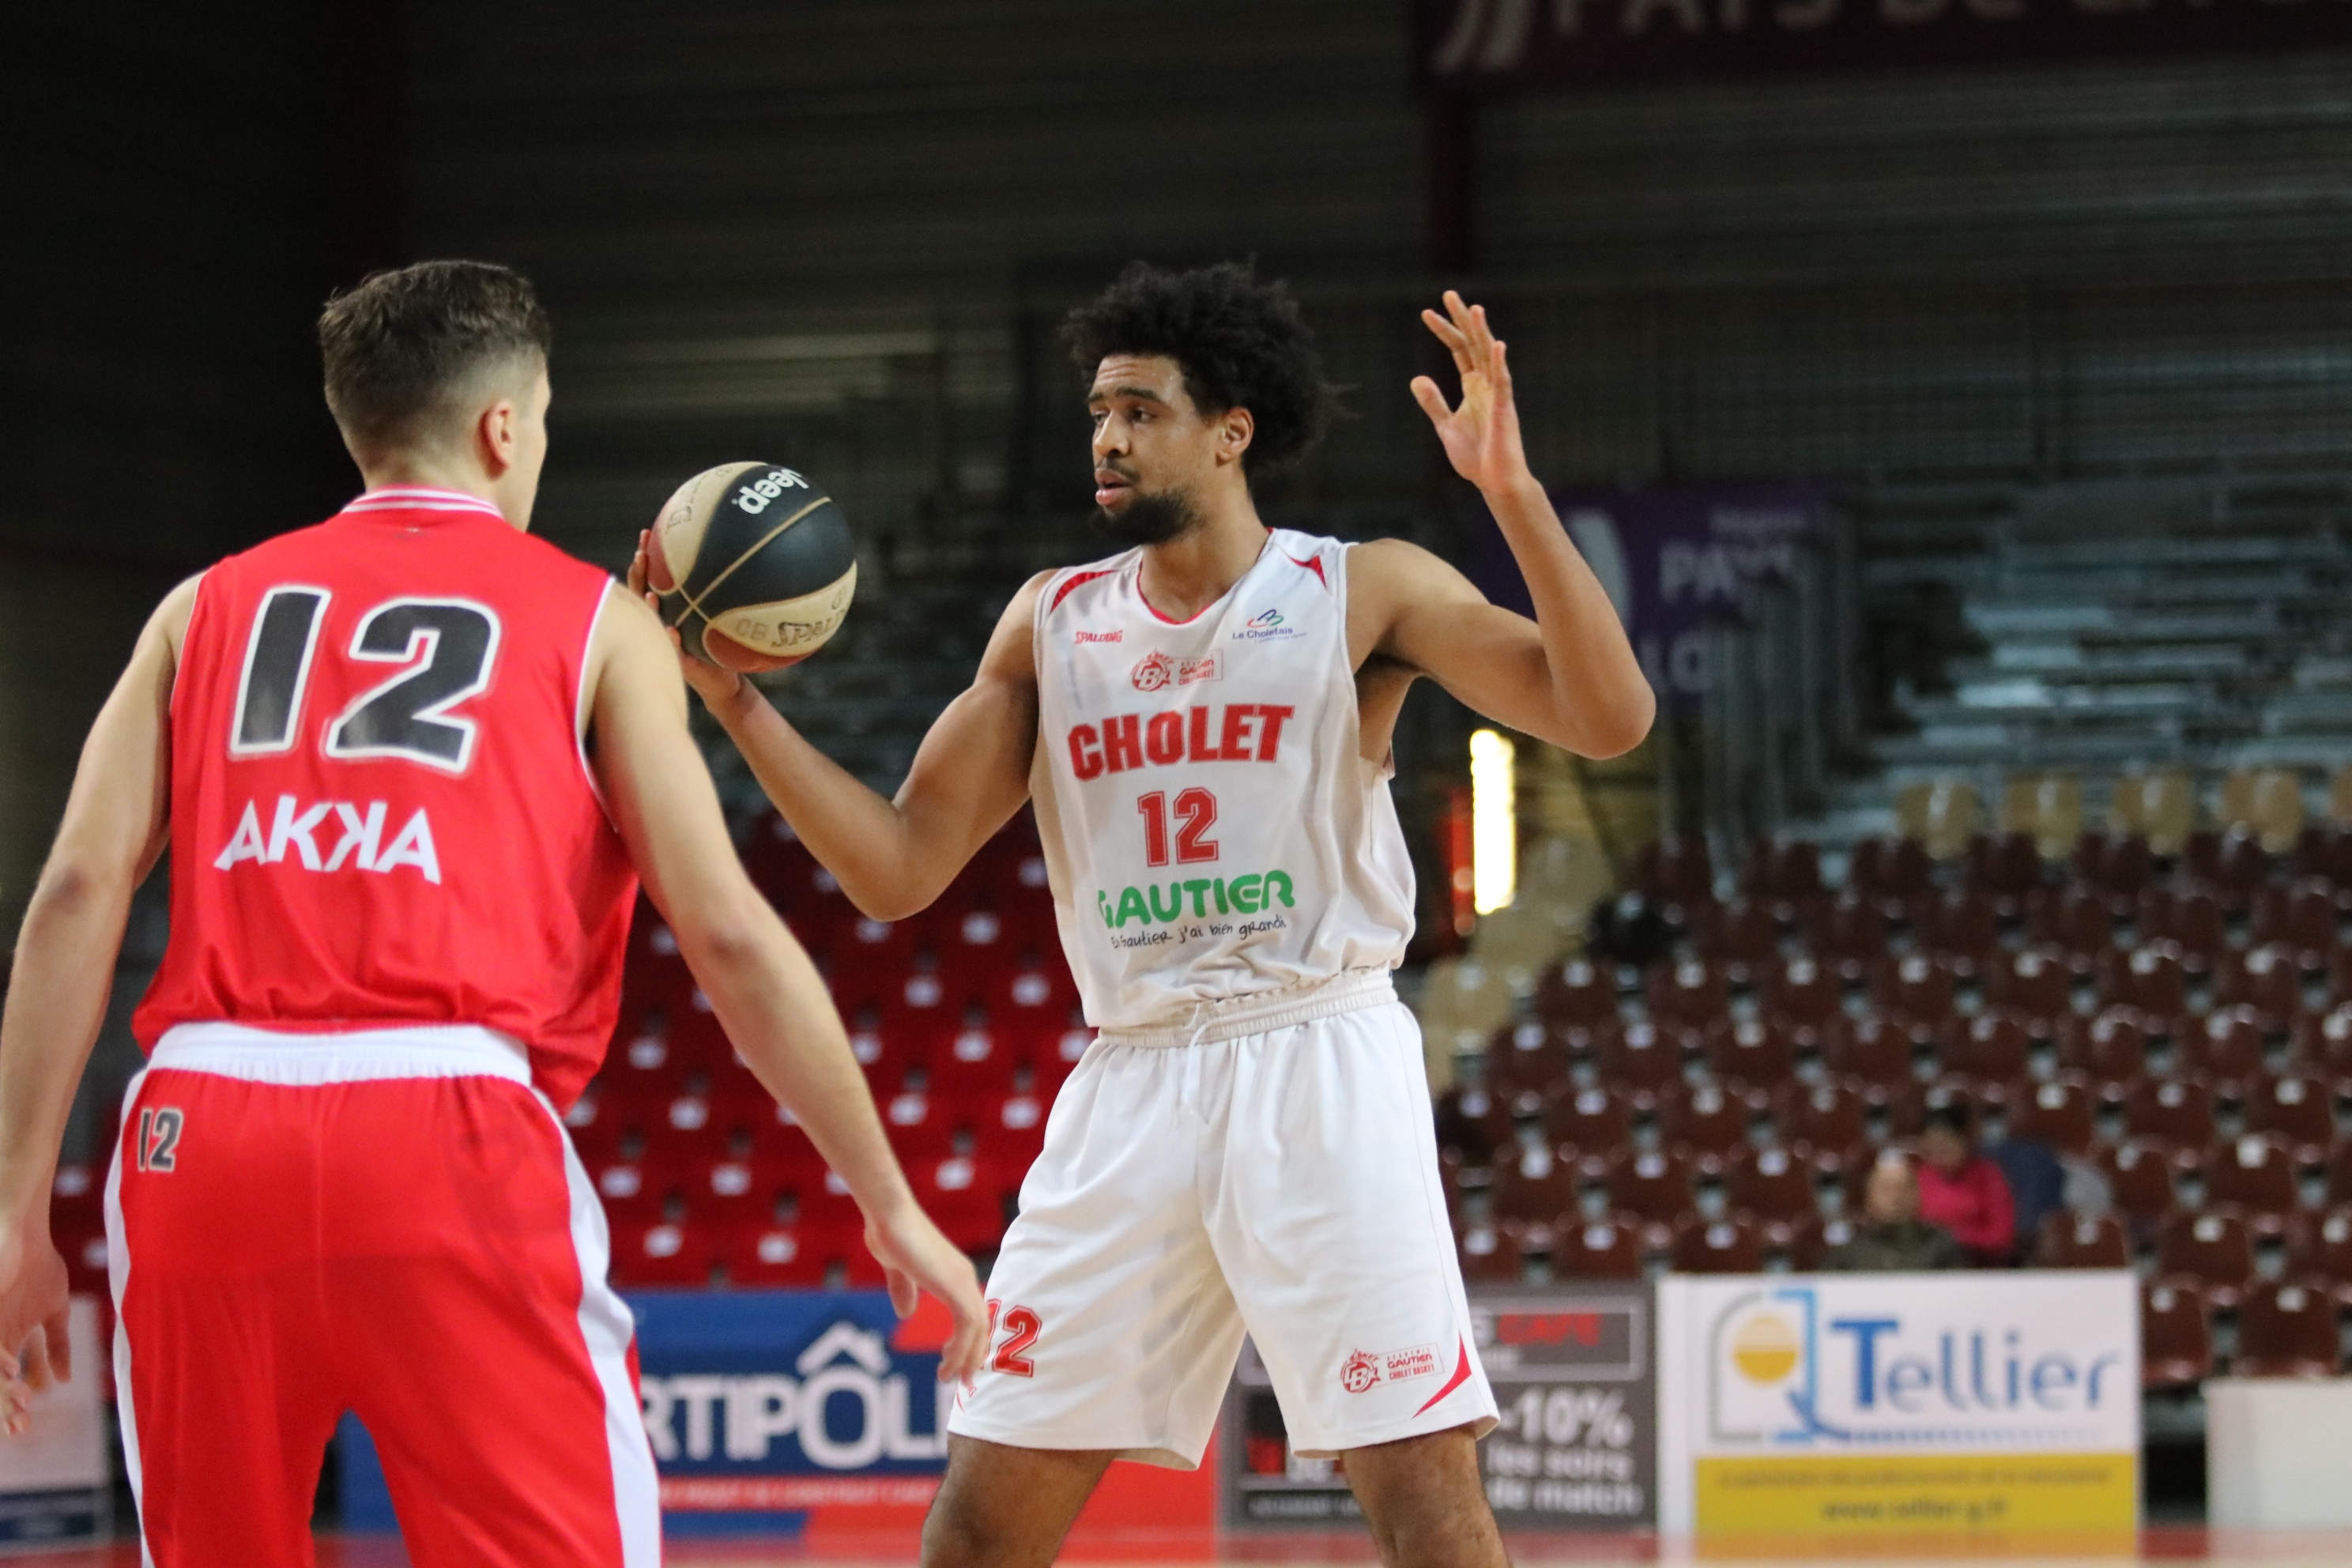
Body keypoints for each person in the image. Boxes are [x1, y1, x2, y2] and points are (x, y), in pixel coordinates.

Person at [639, 262, 1654, 1568]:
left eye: (1141, 407)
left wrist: (1509, 493)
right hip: (1130, 1080)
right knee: (980, 1515)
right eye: (1098, 412)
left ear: (1232, 429)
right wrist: (733, 702)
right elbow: (896, 868)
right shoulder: (1050, 623)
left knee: (1426, 1501)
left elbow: (1607, 718)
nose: (1109, 437)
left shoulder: (1361, 591)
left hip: (1318, 1051)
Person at [0, 260, 987, 1567]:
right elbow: (730, 932)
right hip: (444, 1116)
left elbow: (74, 889)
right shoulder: (595, 621)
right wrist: (887, 1193)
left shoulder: (202, 605)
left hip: (199, 1124)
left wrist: (15, 1211)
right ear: (504, 426)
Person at [1822, 1156, 1965, 1272]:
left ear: (1918, 1196)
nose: (1895, 1197)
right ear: (1869, 1198)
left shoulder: (1942, 1247)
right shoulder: (1849, 1254)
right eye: (1886, 1189)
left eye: (1902, 1189)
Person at [1916, 1103, 2016, 1265]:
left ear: (1965, 1140)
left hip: (1981, 1268)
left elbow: (2002, 1235)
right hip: (1929, 1268)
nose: (1940, 1152)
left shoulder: (1989, 1176)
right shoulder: (1920, 1178)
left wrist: (1954, 1238)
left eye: (1947, 1143)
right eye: (1933, 1145)